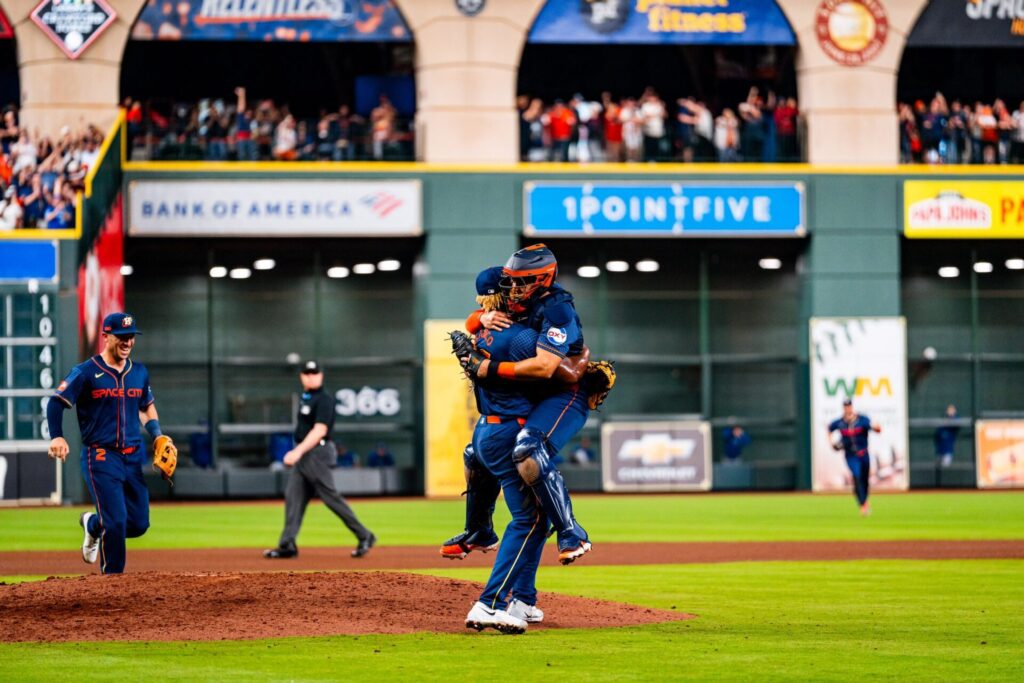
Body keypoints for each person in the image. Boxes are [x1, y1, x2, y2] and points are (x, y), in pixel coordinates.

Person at [46, 312, 168, 574]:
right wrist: (56, 435)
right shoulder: (86, 372)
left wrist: (157, 434)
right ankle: (113, 584)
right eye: (122, 337)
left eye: (131, 337)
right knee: (116, 522)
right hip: (100, 456)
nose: (127, 342)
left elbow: (146, 408)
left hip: (133, 456)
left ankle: (92, 525)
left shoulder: (139, 372)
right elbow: (56, 402)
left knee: (137, 524)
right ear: (106, 336)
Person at [264, 361, 376, 559]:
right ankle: (287, 543)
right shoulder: (306, 398)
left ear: (321, 376)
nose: (311, 376)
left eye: (314, 373)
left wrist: (297, 452)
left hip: (318, 452)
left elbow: (320, 430)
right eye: (307, 373)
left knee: (330, 497)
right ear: (302, 376)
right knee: (294, 496)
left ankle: (364, 535)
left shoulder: (324, 399)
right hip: (306, 454)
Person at [828, 398, 881, 516]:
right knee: (856, 476)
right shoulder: (840, 422)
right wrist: (831, 443)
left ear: (852, 407)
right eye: (845, 406)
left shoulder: (862, 420)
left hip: (864, 455)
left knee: (864, 480)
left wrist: (877, 427)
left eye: (849, 406)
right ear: (843, 408)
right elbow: (829, 428)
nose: (848, 408)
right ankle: (863, 505)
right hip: (851, 455)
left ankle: (864, 500)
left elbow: (876, 429)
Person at [934, 404, 960, 468]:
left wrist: (952, 416)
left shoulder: (954, 422)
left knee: (946, 468)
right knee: (938, 467)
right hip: (940, 451)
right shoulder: (943, 420)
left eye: (952, 410)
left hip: (948, 451)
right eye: (949, 410)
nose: (950, 411)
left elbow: (957, 423)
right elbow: (938, 433)